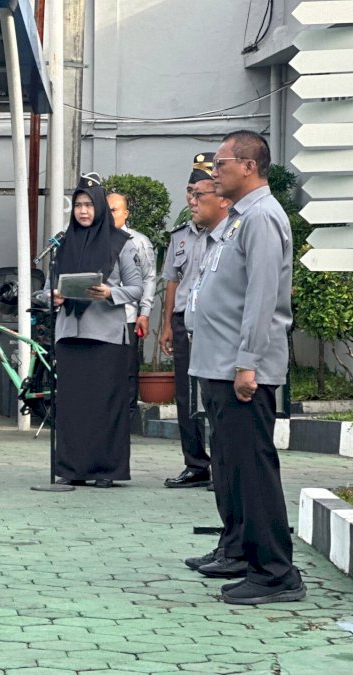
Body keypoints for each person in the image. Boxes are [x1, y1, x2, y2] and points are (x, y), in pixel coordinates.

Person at [186, 130, 305, 605]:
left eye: (221, 164)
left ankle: (276, 572)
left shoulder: (262, 218)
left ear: (249, 166)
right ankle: (247, 556)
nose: (215, 173)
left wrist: (248, 364)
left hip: (241, 370)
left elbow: (260, 299)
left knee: (253, 471)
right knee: (235, 470)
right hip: (219, 363)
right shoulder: (239, 219)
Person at [49, 174, 143, 488]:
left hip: (105, 335)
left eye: (89, 205)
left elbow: (136, 287)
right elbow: (51, 285)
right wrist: (53, 297)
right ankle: (73, 468)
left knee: (105, 405)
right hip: (70, 333)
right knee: (73, 406)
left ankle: (106, 469)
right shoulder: (64, 243)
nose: (84, 211)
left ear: (100, 207)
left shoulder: (121, 243)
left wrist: (109, 293)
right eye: (78, 205)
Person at [160, 154, 225, 490]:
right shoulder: (180, 236)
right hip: (185, 321)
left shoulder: (227, 232)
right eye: (189, 191)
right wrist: (168, 324)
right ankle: (196, 463)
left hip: (214, 325)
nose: (192, 198)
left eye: (198, 191)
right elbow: (172, 279)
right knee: (186, 397)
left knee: (214, 395)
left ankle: (224, 465)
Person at [106, 192, 156, 421]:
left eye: (114, 210)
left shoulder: (137, 241)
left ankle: (125, 419)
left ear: (125, 213)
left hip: (127, 315)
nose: (109, 214)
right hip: (101, 317)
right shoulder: (95, 239)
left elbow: (148, 278)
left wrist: (144, 313)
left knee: (126, 370)